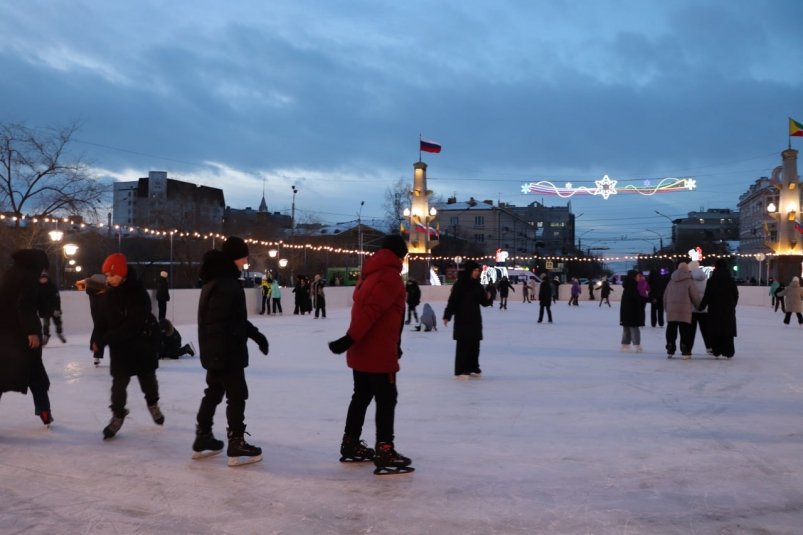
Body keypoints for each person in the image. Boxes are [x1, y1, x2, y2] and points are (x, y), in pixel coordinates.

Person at [327, 234, 414, 475]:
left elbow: (366, 310)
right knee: (386, 399)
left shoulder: (369, 276)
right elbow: (372, 312)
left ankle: (351, 442)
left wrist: (353, 340)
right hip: (377, 351)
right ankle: (385, 449)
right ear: (399, 256)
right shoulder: (391, 278)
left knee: (361, 396)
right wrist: (349, 339)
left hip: (363, 351)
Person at [194, 236, 269, 466]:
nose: (247, 259)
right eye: (245, 255)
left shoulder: (215, 280)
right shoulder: (227, 283)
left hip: (215, 349)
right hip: (226, 350)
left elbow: (231, 319)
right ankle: (236, 442)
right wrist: (241, 342)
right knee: (237, 395)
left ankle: (203, 436)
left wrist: (255, 336)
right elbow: (227, 322)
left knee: (214, 392)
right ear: (236, 257)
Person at [93, 253, 165, 439]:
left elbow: (135, 323)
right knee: (118, 386)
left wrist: (109, 337)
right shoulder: (108, 296)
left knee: (148, 380)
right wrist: (98, 340)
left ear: (122, 273)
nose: (108, 279)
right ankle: (117, 415)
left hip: (141, 346)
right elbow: (101, 321)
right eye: (106, 276)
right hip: (120, 350)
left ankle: (152, 404)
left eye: (111, 275)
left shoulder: (139, 293)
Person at [0, 249, 54, 427]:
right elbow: (25, 306)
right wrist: (31, 331)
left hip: (4, 334)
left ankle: (44, 410)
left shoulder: (11, 272)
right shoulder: (29, 277)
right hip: (22, 335)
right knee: (35, 373)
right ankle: (44, 411)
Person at [443, 260, 493, 379]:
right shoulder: (459, 284)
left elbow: (484, 302)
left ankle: (473, 367)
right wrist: (447, 315)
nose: (477, 273)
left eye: (478, 271)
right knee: (463, 345)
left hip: (475, 319)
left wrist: (489, 298)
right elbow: (453, 301)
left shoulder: (478, 285)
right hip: (462, 319)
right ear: (469, 271)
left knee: (475, 344)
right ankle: (461, 370)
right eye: (475, 270)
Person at [699, 258, 739, 358]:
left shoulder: (712, 280)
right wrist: (732, 305)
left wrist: (702, 306)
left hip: (714, 309)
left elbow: (707, 295)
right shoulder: (730, 279)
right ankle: (728, 351)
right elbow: (736, 294)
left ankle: (717, 350)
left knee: (715, 330)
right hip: (728, 310)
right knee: (727, 331)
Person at [663, 262, 701, 359]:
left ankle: (670, 347)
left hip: (672, 310)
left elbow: (665, 296)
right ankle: (685, 350)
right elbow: (695, 295)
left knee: (671, 330)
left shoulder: (671, 281)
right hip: (684, 310)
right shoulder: (689, 281)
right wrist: (698, 306)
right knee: (685, 331)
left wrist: (666, 308)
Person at [76, 274, 108, 366]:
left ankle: (96, 353)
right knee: (106, 332)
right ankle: (97, 351)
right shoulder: (102, 291)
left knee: (99, 330)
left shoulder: (91, 290)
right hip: (104, 315)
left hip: (97, 315)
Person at [688, 261, 712, 355]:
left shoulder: (690, 280)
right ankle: (709, 347)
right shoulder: (705, 279)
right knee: (706, 330)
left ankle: (688, 349)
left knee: (690, 331)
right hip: (704, 309)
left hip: (692, 309)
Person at [37, 271, 66, 345]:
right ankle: (46, 336)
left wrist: (57, 309)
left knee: (58, 322)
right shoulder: (38, 288)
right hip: (44, 309)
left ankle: (59, 333)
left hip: (54, 308)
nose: (43, 280)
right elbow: (36, 299)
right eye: (42, 278)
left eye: (44, 278)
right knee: (46, 324)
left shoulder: (52, 286)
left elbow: (57, 298)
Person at [619, 270, 645, 352]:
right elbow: (639, 298)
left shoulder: (628, 285)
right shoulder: (634, 286)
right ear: (634, 277)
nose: (639, 277)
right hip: (633, 310)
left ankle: (625, 344)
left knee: (626, 327)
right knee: (634, 328)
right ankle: (636, 345)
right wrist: (649, 299)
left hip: (626, 310)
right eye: (638, 276)